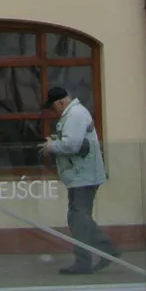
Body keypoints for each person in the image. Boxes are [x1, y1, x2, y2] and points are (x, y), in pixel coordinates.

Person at [40, 84, 116, 276]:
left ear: (62, 102)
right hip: (81, 175)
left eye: (53, 107)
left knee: (78, 218)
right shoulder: (74, 114)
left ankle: (89, 259)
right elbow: (74, 142)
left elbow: (72, 145)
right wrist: (57, 141)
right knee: (79, 218)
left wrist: (52, 146)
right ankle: (104, 250)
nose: (53, 111)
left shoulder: (74, 115)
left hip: (83, 176)